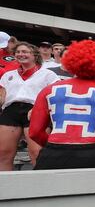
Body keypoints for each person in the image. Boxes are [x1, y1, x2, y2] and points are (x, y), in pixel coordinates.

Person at [29, 40, 95, 169]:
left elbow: (34, 132)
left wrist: (52, 145)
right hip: (93, 151)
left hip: (54, 151)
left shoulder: (49, 90)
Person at [0, 42, 59, 170]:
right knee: (3, 153)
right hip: (11, 111)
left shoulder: (48, 74)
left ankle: (42, 186)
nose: (21, 54)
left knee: (36, 152)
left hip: (35, 110)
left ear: (34, 55)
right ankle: (5, 187)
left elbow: (55, 95)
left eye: (25, 52)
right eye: (18, 52)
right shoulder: (8, 75)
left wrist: (42, 108)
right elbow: (2, 97)